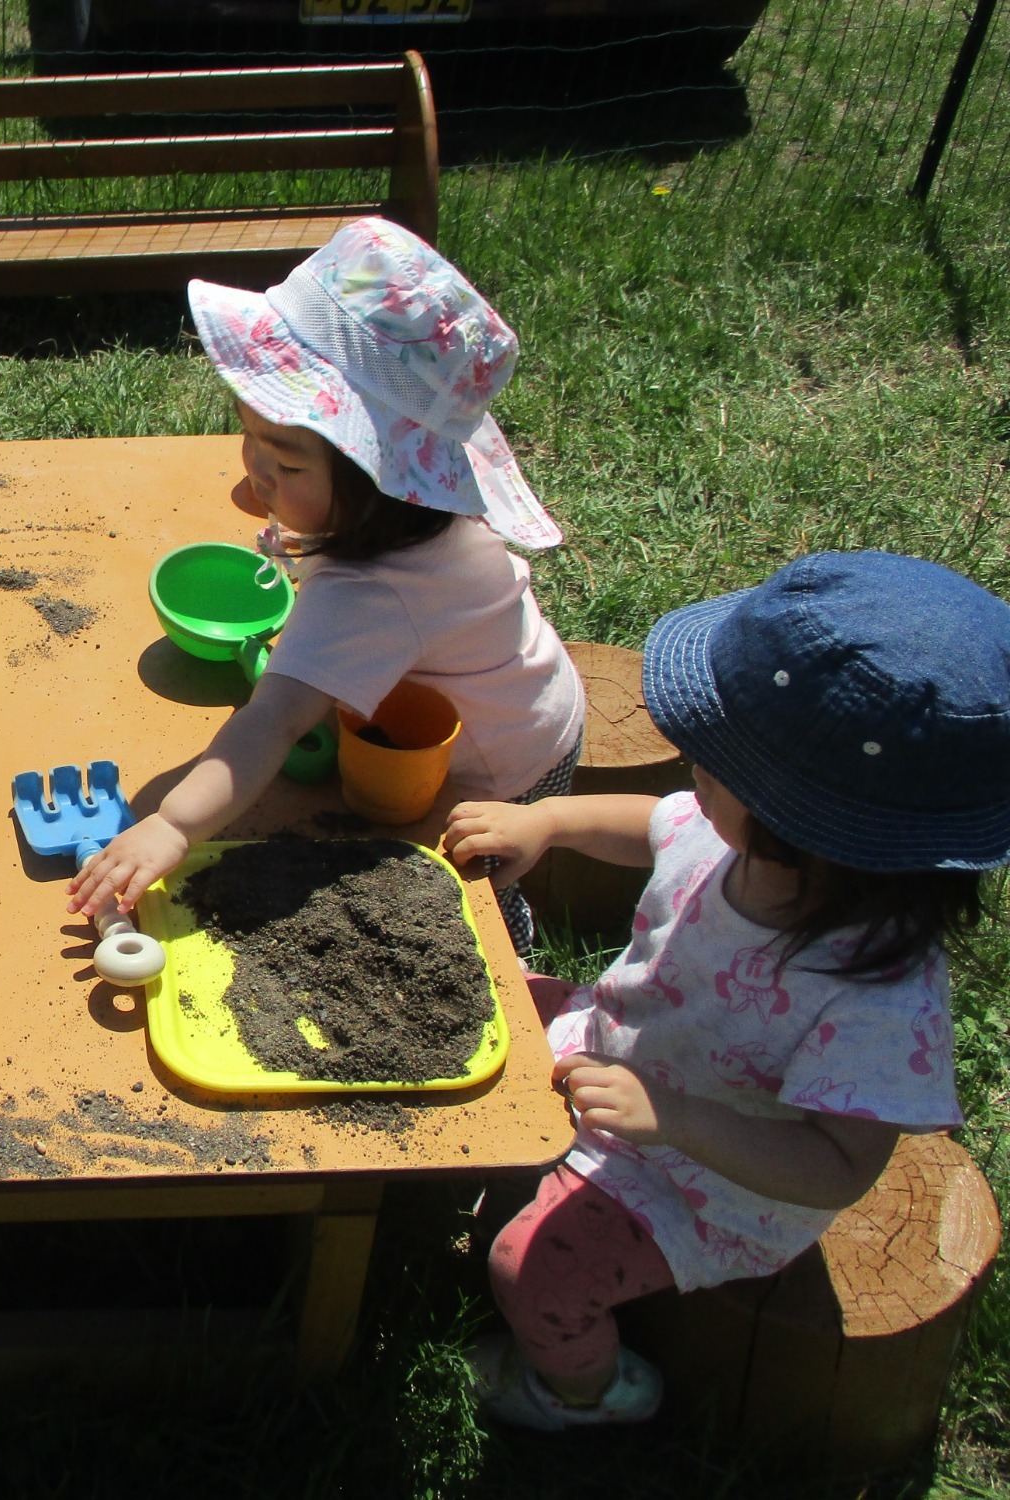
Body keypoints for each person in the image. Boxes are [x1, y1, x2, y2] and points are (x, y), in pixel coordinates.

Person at [443, 551, 1010, 1430]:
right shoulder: (735, 839)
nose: (691, 767)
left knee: (532, 1270)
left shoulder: (879, 998)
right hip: (621, 1047)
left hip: (703, 1186)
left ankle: (584, 1393)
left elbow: (839, 1168)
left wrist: (674, 1119)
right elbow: (654, 823)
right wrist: (547, 821)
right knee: (471, 1008)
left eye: (717, 761)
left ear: (803, 827)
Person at [67, 218, 584, 954]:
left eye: (288, 460)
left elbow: (271, 721)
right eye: (251, 435)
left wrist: (174, 823)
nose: (256, 466)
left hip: (496, 765)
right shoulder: (411, 519)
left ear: (381, 483)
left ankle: (515, 944)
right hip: (532, 692)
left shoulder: (370, 593)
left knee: (476, 884)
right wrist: (290, 496)